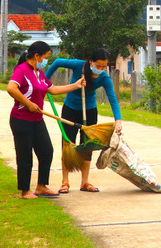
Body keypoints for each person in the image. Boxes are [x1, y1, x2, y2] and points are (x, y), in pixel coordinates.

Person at [7, 41, 84, 200]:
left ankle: (41, 186)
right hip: (21, 120)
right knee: (25, 156)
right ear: (37, 56)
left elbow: (53, 89)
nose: (46, 60)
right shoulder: (21, 70)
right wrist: (28, 103)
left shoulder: (39, 73)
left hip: (37, 119)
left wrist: (75, 85)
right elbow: (11, 88)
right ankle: (25, 191)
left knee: (46, 151)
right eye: (46, 57)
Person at [44, 47, 123, 194]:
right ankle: (65, 182)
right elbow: (57, 62)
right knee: (68, 144)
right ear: (91, 61)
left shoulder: (104, 78)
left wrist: (118, 120)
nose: (100, 69)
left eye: (103, 67)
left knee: (88, 146)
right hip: (69, 110)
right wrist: (43, 82)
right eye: (98, 65)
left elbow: (112, 99)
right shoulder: (78, 65)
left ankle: (85, 182)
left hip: (90, 111)